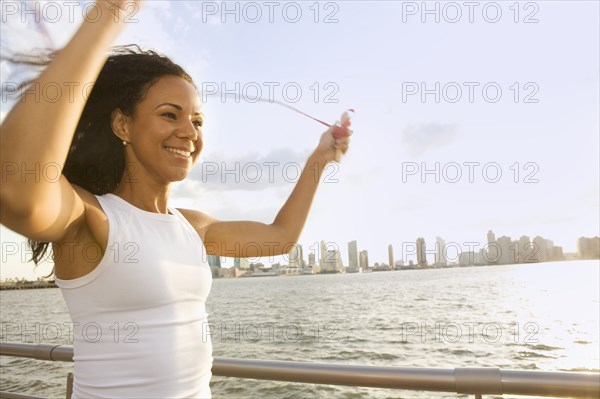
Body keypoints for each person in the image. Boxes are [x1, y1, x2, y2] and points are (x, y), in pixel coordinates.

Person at [0, 1, 351, 398]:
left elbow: (279, 237)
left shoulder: (193, 226)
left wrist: (319, 159)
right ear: (122, 125)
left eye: (197, 120)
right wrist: (112, 11)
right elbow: (18, 188)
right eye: (170, 115)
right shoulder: (91, 218)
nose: (190, 132)